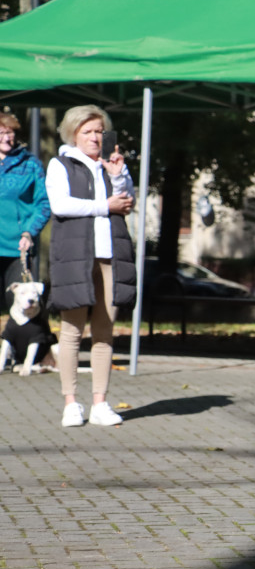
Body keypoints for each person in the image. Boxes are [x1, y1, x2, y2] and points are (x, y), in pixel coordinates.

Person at [45, 105, 135, 427]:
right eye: (88, 131)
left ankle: (100, 403)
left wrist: (118, 176)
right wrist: (104, 205)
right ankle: (71, 402)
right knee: (71, 331)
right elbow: (61, 205)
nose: (95, 137)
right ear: (73, 134)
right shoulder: (60, 164)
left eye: (99, 130)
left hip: (111, 256)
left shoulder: (111, 165)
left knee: (105, 331)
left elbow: (126, 203)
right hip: (75, 257)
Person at [1, 111, 50, 310]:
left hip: (17, 247)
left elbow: (44, 204)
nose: (6, 137)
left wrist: (29, 233)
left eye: (10, 132)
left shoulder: (30, 164)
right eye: (1, 132)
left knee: (19, 305)